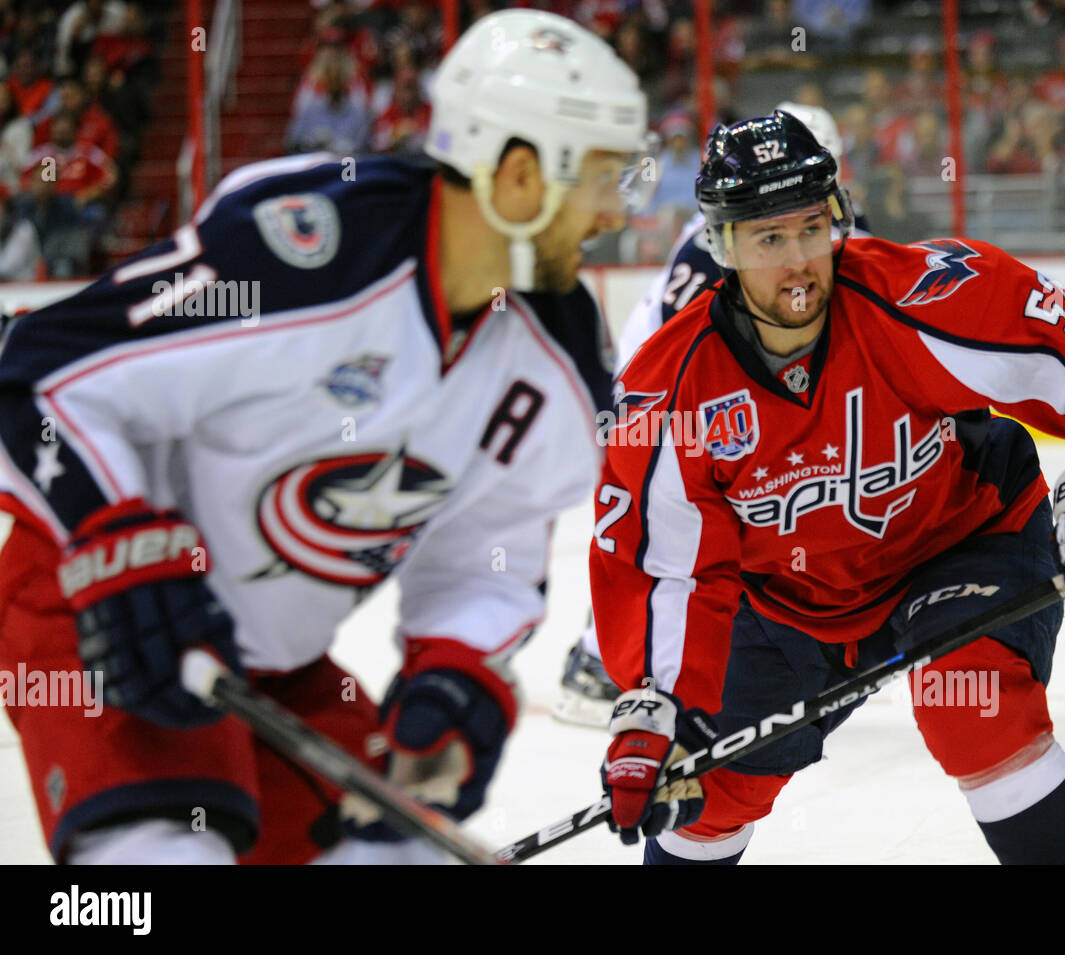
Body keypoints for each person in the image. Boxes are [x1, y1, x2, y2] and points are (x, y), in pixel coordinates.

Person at [0, 8, 648, 865]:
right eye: (603, 178)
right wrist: (120, 545)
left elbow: (484, 549)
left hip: (272, 668)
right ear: (520, 174)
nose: (614, 209)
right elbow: (42, 371)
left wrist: (449, 682)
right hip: (104, 610)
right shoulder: (309, 252)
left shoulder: (555, 355)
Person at [589, 110, 1065, 865]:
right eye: (767, 238)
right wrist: (659, 707)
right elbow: (665, 568)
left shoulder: (916, 293)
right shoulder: (667, 392)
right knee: (707, 793)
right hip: (786, 602)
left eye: (812, 227)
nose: (798, 261)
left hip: (958, 543)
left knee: (971, 702)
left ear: (839, 217)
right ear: (721, 244)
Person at [553, 102, 870, 728]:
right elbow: (686, 348)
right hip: (659, 397)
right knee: (660, 530)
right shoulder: (715, 246)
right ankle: (599, 660)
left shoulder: (799, 226)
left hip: (693, 394)